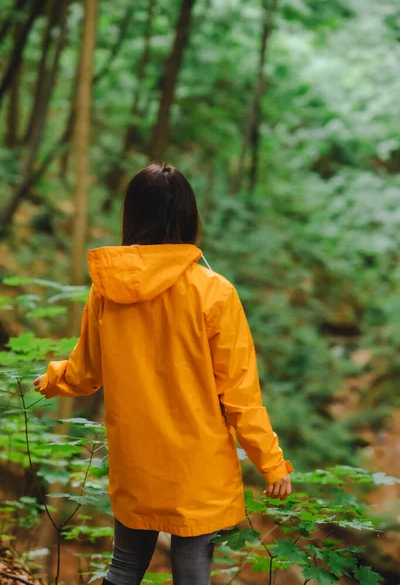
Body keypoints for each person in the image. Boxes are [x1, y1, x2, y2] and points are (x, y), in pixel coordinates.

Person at [34, 163, 294, 585]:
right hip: (197, 467)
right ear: (188, 217)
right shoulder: (214, 292)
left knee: (123, 569)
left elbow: (85, 373)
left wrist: (51, 378)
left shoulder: (107, 290)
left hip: (137, 459)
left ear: (132, 215)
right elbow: (240, 395)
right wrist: (272, 463)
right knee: (192, 574)